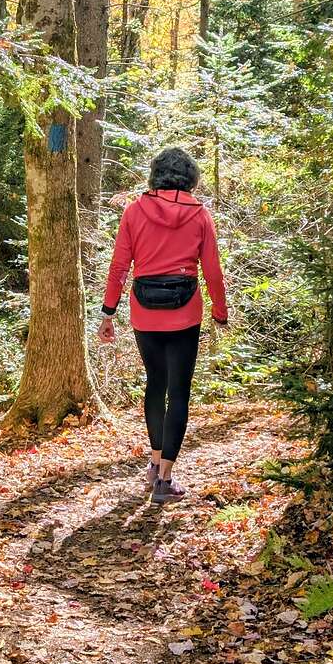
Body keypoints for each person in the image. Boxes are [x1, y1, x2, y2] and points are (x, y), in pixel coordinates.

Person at [98, 147, 228, 505]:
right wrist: (220, 311)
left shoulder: (134, 211)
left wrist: (108, 313)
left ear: (155, 175)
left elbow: (119, 266)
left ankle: (155, 464)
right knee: (179, 392)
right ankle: (165, 480)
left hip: (144, 311)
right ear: (190, 177)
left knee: (155, 384)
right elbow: (212, 270)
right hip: (185, 312)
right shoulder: (199, 215)